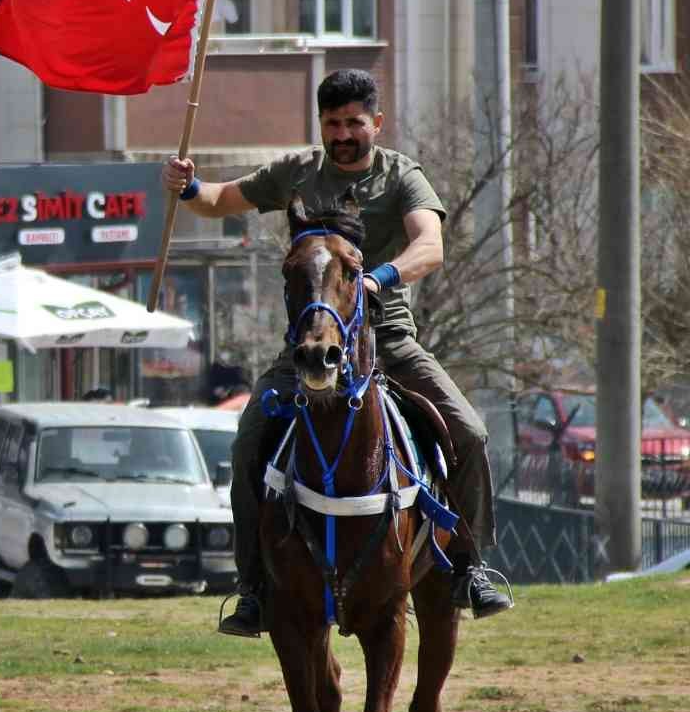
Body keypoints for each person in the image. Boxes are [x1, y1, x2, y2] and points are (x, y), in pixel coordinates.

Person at [162, 68, 513, 637]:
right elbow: (219, 200)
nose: (343, 134)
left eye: (354, 123)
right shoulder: (297, 172)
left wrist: (377, 279)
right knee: (248, 443)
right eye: (332, 123)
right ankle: (253, 589)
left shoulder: (401, 176)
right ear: (321, 124)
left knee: (470, 433)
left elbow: (430, 245)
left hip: (387, 341)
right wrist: (187, 187)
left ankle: (470, 569)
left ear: (377, 122)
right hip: (307, 347)